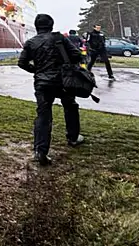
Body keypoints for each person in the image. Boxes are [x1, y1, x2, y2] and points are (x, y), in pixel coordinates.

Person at [17, 13, 85, 166]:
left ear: (36, 26)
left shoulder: (30, 42)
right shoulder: (59, 38)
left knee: (43, 115)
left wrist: (37, 71)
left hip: (42, 83)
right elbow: (77, 55)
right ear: (51, 25)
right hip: (63, 82)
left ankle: (40, 151)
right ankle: (73, 137)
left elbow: (21, 63)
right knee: (71, 107)